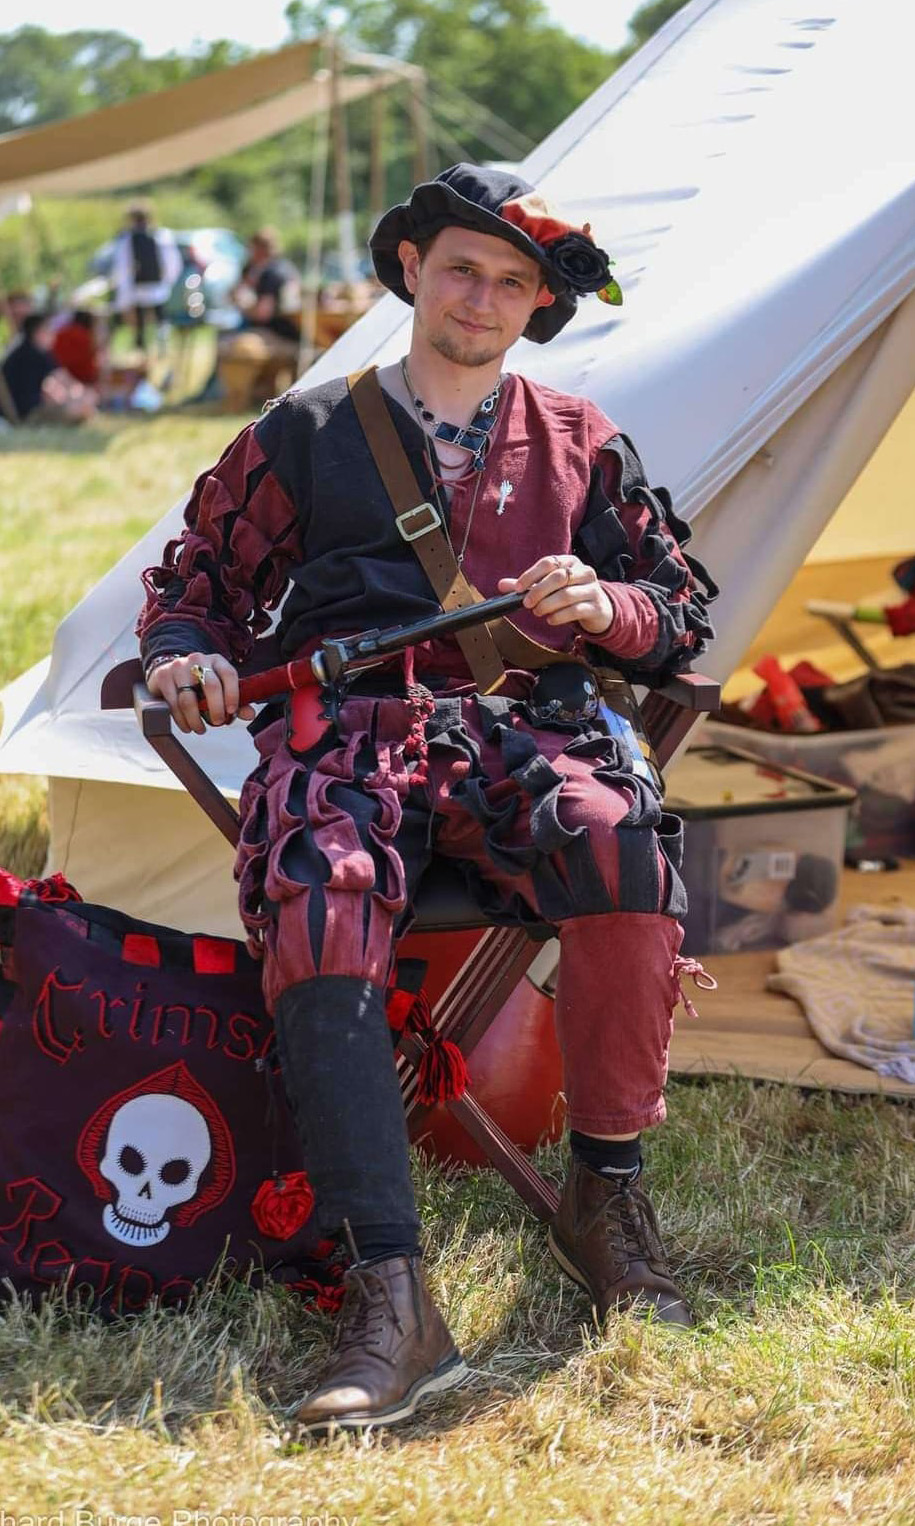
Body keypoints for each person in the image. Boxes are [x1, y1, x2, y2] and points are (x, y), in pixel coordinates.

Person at [137, 164, 717, 1433]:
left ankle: (605, 1195)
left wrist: (605, 604)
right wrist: (187, 654)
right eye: (462, 268)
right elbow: (195, 591)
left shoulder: (582, 439)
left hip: (527, 734)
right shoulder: (302, 431)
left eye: (513, 281)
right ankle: (392, 1294)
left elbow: (675, 610)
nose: (482, 298)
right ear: (412, 268)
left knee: (623, 844)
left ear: (536, 303)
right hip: (349, 739)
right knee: (318, 888)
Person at [110, 202, 182, 354]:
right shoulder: (160, 235)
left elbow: (122, 265)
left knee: (142, 316)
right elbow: (172, 261)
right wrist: (168, 278)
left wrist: (122, 286)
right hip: (156, 283)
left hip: (139, 284)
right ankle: (157, 344)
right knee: (159, 314)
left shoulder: (128, 238)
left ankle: (143, 345)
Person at [0, 311, 97, 424]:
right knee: (77, 408)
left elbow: (61, 381)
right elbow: (63, 380)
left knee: (80, 403)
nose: (53, 335)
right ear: (38, 333)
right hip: (26, 414)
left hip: (22, 411)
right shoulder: (33, 353)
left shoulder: (29, 351)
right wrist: (83, 395)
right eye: (49, 330)